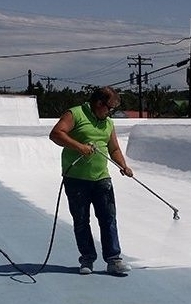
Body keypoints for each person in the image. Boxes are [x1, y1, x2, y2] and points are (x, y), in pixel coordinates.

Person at [49, 86, 133, 275]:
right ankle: (87, 259)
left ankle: (114, 259)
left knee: (108, 218)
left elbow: (114, 149)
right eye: (109, 108)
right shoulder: (75, 114)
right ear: (98, 103)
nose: (110, 112)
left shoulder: (108, 123)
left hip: (101, 178)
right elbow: (56, 134)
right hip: (76, 179)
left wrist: (123, 165)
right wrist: (79, 146)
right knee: (81, 220)